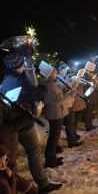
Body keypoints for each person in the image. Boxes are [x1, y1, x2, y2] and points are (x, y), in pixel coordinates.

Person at [0, 53, 62, 193]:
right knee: (33, 150)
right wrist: (42, 88)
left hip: (12, 123)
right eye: (22, 64)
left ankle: (15, 187)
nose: (24, 66)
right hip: (21, 122)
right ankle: (42, 184)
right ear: (17, 66)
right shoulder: (17, 78)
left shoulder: (6, 77)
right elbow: (35, 94)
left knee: (13, 159)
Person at [41, 67, 74, 168]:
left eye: (55, 71)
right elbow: (60, 98)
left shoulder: (52, 83)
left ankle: (52, 157)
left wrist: (64, 90)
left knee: (54, 136)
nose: (56, 73)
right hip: (55, 113)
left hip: (56, 112)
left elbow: (58, 95)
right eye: (54, 72)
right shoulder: (50, 84)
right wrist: (69, 92)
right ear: (48, 74)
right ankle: (50, 161)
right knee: (54, 138)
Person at [0, 71, 30, 169]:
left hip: (7, 148)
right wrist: (24, 119)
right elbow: (2, 130)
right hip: (4, 150)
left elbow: (5, 118)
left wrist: (15, 111)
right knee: (9, 176)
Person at [56, 61, 82, 148]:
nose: (66, 71)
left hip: (70, 104)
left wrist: (76, 83)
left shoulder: (67, 78)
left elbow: (72, 92)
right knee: (60, 126)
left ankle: (72, 141)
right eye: (64, 70)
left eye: (66, 70)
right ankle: (56, 146)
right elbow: (62, 92)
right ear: (60, 71)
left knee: (71, 123)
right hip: (63, 106)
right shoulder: (57, 80)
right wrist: (71, 84)